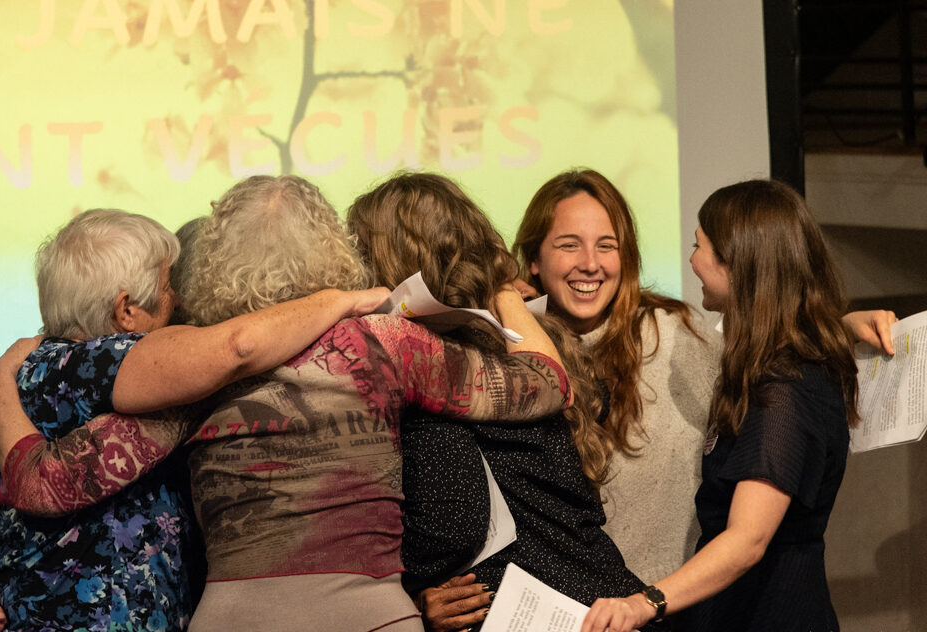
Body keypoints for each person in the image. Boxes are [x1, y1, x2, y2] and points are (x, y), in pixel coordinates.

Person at [0, 175, 572, 632]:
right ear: (332, 247)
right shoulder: (383, 344)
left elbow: (43, 486)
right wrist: (501, 286)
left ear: (213, 260)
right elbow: (546, 383)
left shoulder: (198, 374)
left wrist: (3, 387)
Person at [0, 207, 391, 631]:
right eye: (169, 286)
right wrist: (340, 301)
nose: (180, 301)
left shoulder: (29, 373)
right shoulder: (92, 362)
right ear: (126, 310)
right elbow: (238, 349)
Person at [346, 172, 661, 632]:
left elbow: (453, 524)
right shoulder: (532, 339)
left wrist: (411, 593)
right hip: (604, 601)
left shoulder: (429, 368)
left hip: (537, 614)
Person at [581, 179, 860, 632]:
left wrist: (643, 603)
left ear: (739, 263)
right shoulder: (768, 367)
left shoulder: (785, 388)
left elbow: (749, 539)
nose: (691, 260)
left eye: (700, 247)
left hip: (772, 615)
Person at [513, 168, 719, 584]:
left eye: (606, 246)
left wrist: (839, 329)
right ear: (534, 259)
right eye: (569, 245)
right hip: (558, 611)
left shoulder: (675, 334)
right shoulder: (508, 349)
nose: (590, 265)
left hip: (667, 608)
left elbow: (764, 367)